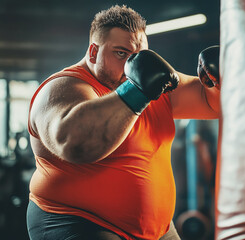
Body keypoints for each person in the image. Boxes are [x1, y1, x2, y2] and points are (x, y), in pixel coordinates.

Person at [25, 5, 220, 240]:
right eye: (121, 53)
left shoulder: (154, 82)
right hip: (79, 222)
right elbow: (75, 144)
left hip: (158, 230)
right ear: (94, 52)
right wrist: (135, 91)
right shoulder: (63, 88)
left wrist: (223, 77)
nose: (132, 67)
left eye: (139, 56)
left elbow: (212, 103)